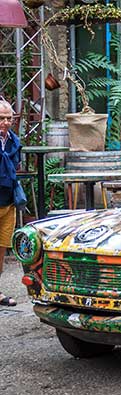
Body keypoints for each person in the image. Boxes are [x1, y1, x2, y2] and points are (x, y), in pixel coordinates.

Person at [0, 99, 21, 306]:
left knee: (2, 247)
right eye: (1, 119)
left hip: (8, 201)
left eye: (9, 118)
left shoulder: (14, 142)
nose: (5, 123)